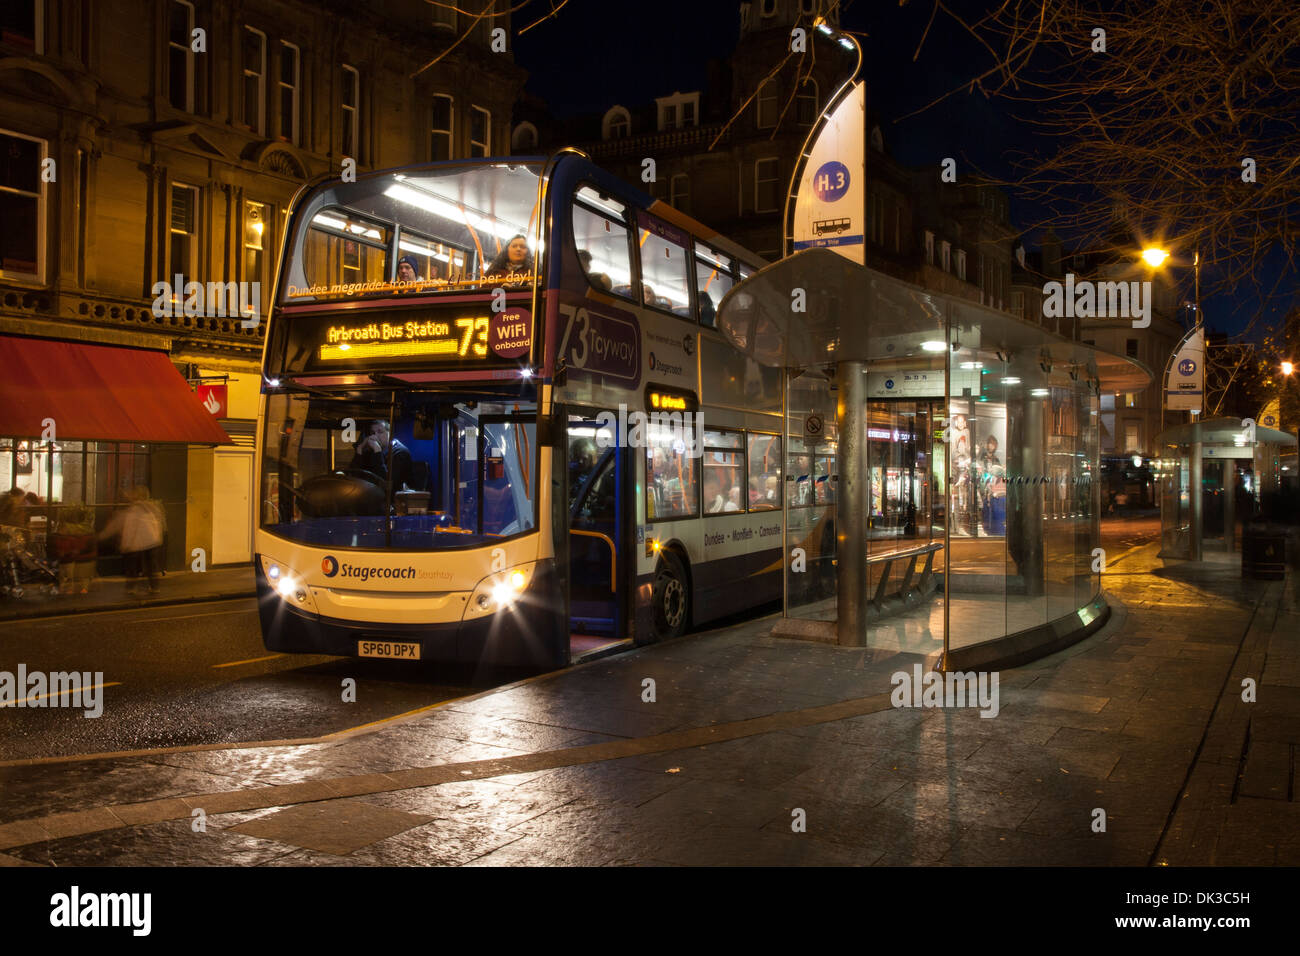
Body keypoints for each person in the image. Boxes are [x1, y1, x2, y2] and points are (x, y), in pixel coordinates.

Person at [100, 487, 165, 595]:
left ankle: (131, 588)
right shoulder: (153, 508)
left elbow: (128, 528)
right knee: (151, 566)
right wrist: (159, 537)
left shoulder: (133, 510)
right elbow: (160, 523)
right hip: (153, 542)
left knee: (132, 567)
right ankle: (154, 587)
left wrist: (125, 544)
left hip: (137, 543)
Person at [350, 419, 412, 492]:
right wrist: (359, 450)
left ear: (390, 433)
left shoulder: (401, 452)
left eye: (380, 432)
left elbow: (387, 485)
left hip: (393, 498)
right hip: (370, 494)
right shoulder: (370, 450)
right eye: (373, 433)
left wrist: (377, 452)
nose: (375, 436)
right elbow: (353, 476)